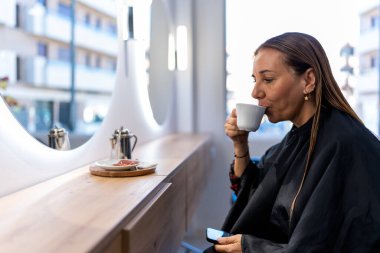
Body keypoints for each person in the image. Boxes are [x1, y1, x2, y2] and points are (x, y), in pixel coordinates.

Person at [205, 32, 380, 252]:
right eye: (255, 80)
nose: (255, 92)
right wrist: (240, 144)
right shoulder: (295, 139)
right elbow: (253, 195)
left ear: (308, 80)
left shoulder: (346, 146)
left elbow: (320, 246)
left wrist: (249, 247)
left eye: (268, 79)